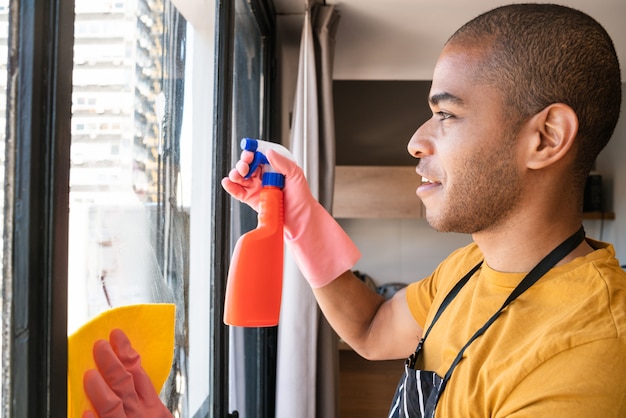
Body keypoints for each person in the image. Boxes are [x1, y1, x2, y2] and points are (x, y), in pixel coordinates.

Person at [83, 3, 625, 417]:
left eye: (447, 116)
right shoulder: (469, 269)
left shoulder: (588, 354)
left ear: (546, 138)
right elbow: (369, 328)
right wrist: (300, 217)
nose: (415, 141)